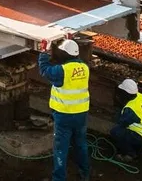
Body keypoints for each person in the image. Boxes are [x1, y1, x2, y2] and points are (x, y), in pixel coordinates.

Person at [38, 38, 90, 181]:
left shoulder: (62, 71)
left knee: (61, 148)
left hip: (64, 115)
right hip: (81, 114)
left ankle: (59, 178)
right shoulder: (85, 68)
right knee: (80, 144)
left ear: (65, 54)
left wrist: (43, 53)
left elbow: (44, 70)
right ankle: (84, 173)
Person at [108, 78, 142, 161]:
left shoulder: (130, 110)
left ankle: (130, 154)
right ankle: (141, 147)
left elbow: (122, 123)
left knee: (116, 132)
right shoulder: (140, 96)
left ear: (126, 93)